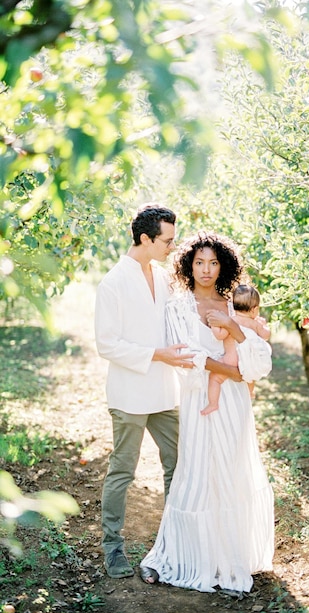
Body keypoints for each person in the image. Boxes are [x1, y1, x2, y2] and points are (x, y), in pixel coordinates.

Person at [140, 231, 274, 597]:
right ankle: (180, 556)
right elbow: (185, 358)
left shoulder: (234, 306)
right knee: (196, 473)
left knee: (230, 473)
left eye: (213, 263)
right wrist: (229, 369)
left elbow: (260, 360)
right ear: (188, 265)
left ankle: (230, 562)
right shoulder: (178, 307)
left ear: (223, 266)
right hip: (200, 400)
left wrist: (234, 332)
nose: (206, 269)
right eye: (199, 262)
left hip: (234, 404)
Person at [94, 203, 195, 579]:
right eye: (167, 240)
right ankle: (113, 547)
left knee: (179, 464)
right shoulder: (113, 283)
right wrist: (158, 355)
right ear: (145, 238)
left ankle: (174, 539)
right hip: (130, 393)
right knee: (123, 471)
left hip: (164, 391)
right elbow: (107, 344)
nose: (172, 246)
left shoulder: (164, 276)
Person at [201, 283, 271, 415]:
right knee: (250, 376)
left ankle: (213, 404)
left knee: (215, 378)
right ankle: (250, 391)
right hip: (248, 360)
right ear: (254, 309)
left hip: (231, 360)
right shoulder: (255, 324)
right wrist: (264, 325)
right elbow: (266, 336)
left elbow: (219, 335)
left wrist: (214, 325)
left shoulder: (230, 321)